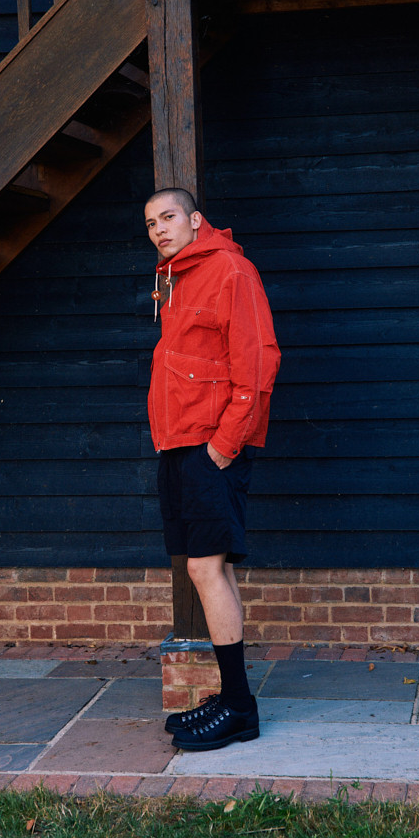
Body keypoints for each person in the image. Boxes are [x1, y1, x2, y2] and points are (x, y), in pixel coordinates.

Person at [144, 187, 280, 752]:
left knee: (205, 567)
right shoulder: (173, 278)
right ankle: (234, 699)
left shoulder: (230, 271)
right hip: (178, 444)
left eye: (168, 217)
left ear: (195, 220)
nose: (159, 229)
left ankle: (240, 709)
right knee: (208, 569)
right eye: (151, 223)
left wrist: (223, 446)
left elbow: (260, 360)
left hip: (210, 445)